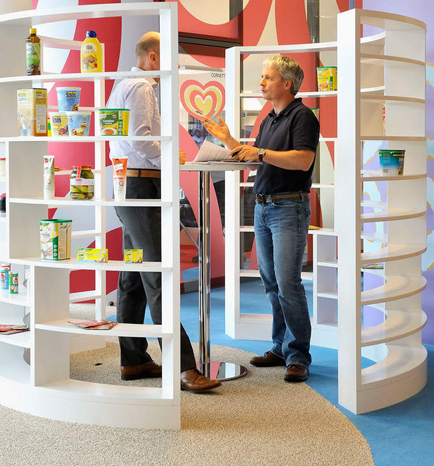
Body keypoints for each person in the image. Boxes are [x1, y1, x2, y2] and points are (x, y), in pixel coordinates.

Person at [107, 31, 220, 392]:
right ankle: (184, 367)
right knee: (158, 274)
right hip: (141, 185)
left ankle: (133, 359)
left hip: (129, 183)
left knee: (134, 275)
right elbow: (140, 138)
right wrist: (169, 155)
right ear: (154, 56)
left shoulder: (125, 85)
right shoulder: (141, 86)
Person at [202, 55, 319, 383]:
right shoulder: (269, 118)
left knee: (288, 284)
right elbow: (256, 158)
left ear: (287, 84)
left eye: (268, 77)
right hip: (264, 208)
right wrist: (229, 141)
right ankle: (281, 347)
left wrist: (262, 153)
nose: (262, 82)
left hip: (288, 209)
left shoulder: (303, 117)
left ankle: (298, 356)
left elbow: (303, 160)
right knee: (272, 284)